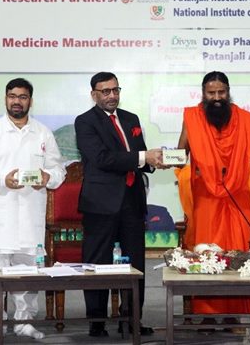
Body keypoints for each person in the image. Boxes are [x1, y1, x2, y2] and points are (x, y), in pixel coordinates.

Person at [0, 78, 66, 341]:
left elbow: (58, 170)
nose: (17, 101)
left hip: (31, 214)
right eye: (12, 96)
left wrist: (48, 177)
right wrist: (3, 180)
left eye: (22, 97)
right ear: (5, 98)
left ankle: (24, 322)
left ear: (30, 100)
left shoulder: (43, 133)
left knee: (28, 271)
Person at [176, 71, 250, 318]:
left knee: (239, 250)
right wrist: (168, 158)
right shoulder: (192, 118)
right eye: (211, 93)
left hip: (237, 195)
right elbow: (181, 152)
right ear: (203, 93)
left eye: (221, 92)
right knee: (207, 253)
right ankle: (206, 315)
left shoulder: (243, 120)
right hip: (206, 198)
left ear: (228, 92)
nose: (217, 97)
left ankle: (236, 314)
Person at [75, 72, 162, 338]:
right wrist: (142, 157)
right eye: (105, 91)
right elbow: (102, 159)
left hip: (132, 201)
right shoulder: (85, 122)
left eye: (115, 90)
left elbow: (139, 154)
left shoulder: (130, 118)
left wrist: (156, 161)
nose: (112, 95)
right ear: (94, 94)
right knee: (97, 263)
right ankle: (97, 322)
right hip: (100, 203)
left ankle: (132, 319)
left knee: (135, 264)